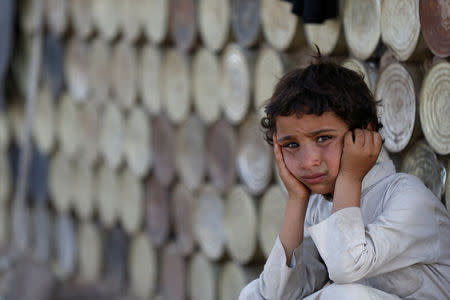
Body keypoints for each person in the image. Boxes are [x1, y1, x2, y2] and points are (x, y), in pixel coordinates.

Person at [239, 59, 450, 300]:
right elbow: (278, 292)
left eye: (323, 138)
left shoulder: (406, 197)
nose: (308, 161)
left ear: (364, 133)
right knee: (252, 294)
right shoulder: (319, 207)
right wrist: (297, 200)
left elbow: (345, 267)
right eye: (292, 145)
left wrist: (349, 177)